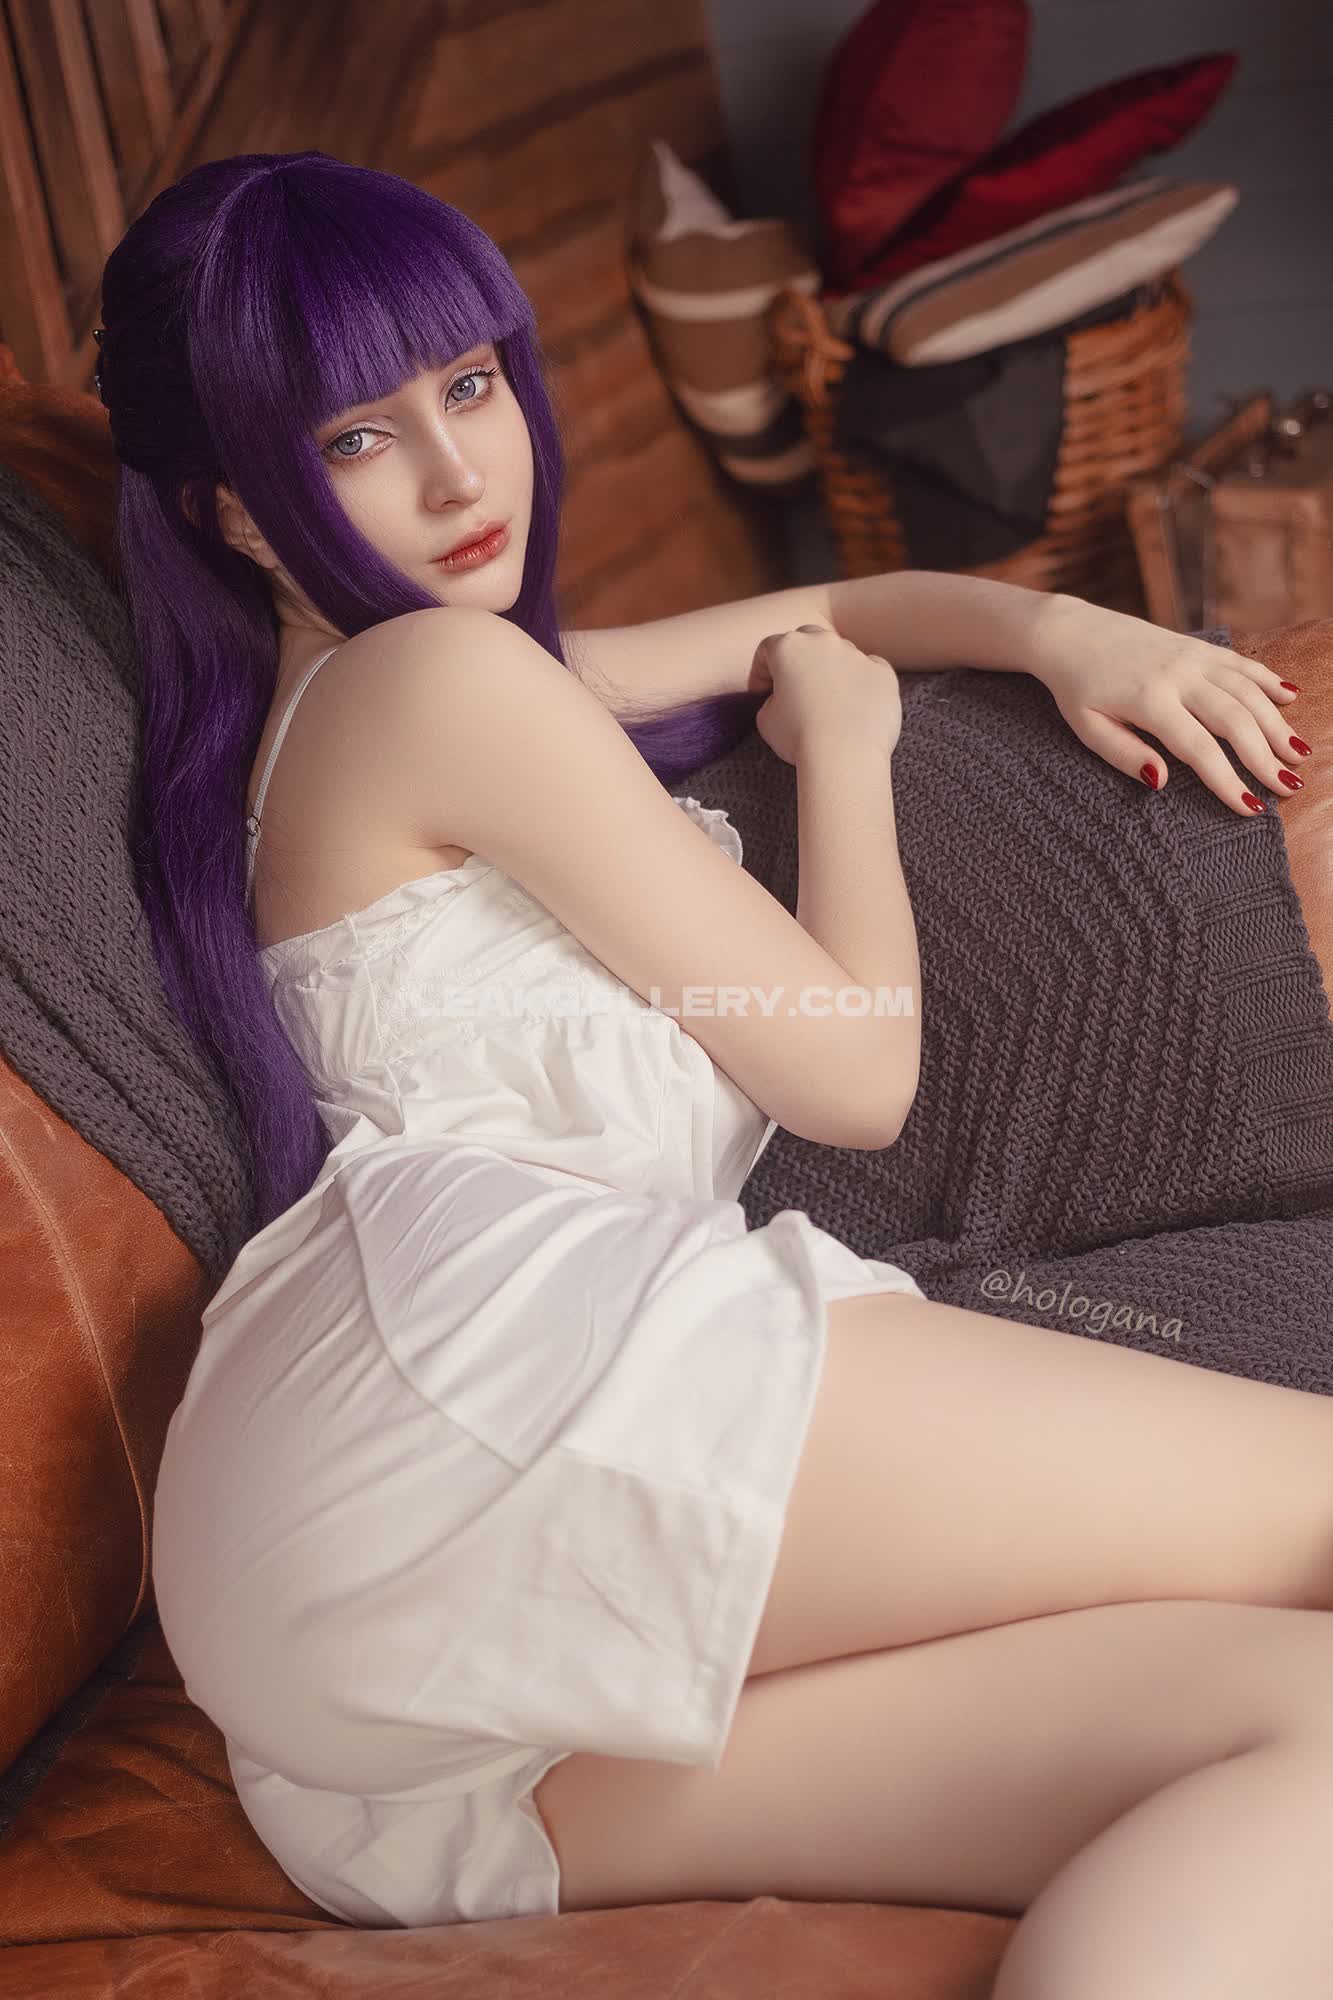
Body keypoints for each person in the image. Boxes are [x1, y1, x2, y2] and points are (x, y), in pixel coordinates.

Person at [103, 150, 1333, 1987]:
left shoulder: (394, 698)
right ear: (239, 516)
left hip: (369, 1610)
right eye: (356, 438)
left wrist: (1063, 630)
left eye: (468, 386)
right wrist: (842, 755)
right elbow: (855, 1078)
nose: (458, 474)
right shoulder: (436, 683)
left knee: (1296, 1723)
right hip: (492, 1404)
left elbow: (830, 610)